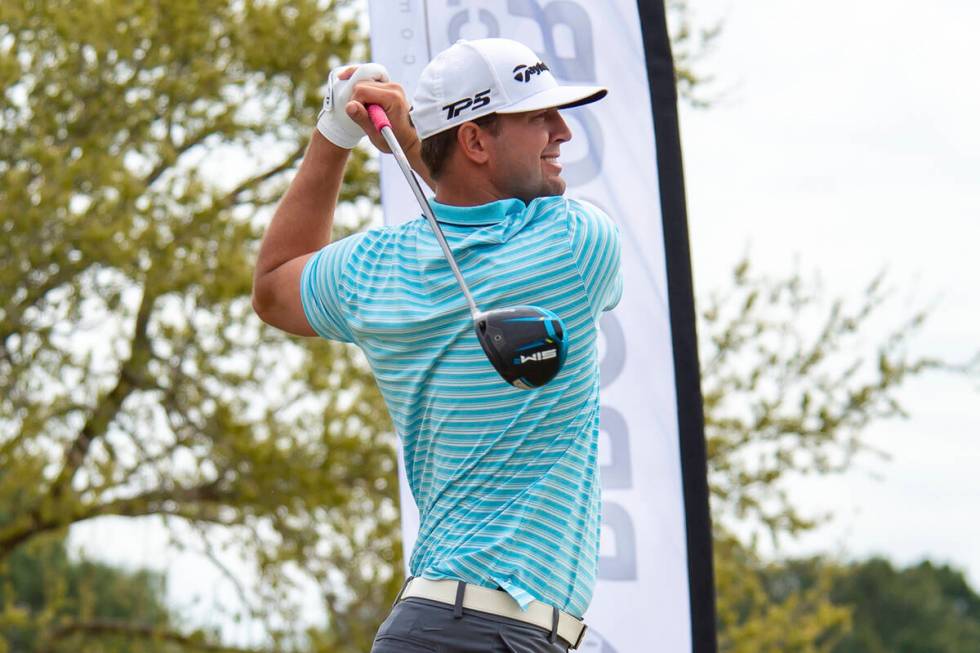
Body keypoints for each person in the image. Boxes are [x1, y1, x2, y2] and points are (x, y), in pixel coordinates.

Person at [252, 38, 622, 652]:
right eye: (538, 118)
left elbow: (275, 281)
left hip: (434, 625)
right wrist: (414, 145)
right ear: (475, 141)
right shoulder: (576, 245)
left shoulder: (376, 267)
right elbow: (471, 202)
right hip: (498, 633)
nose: (563, 133)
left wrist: (333, 135)